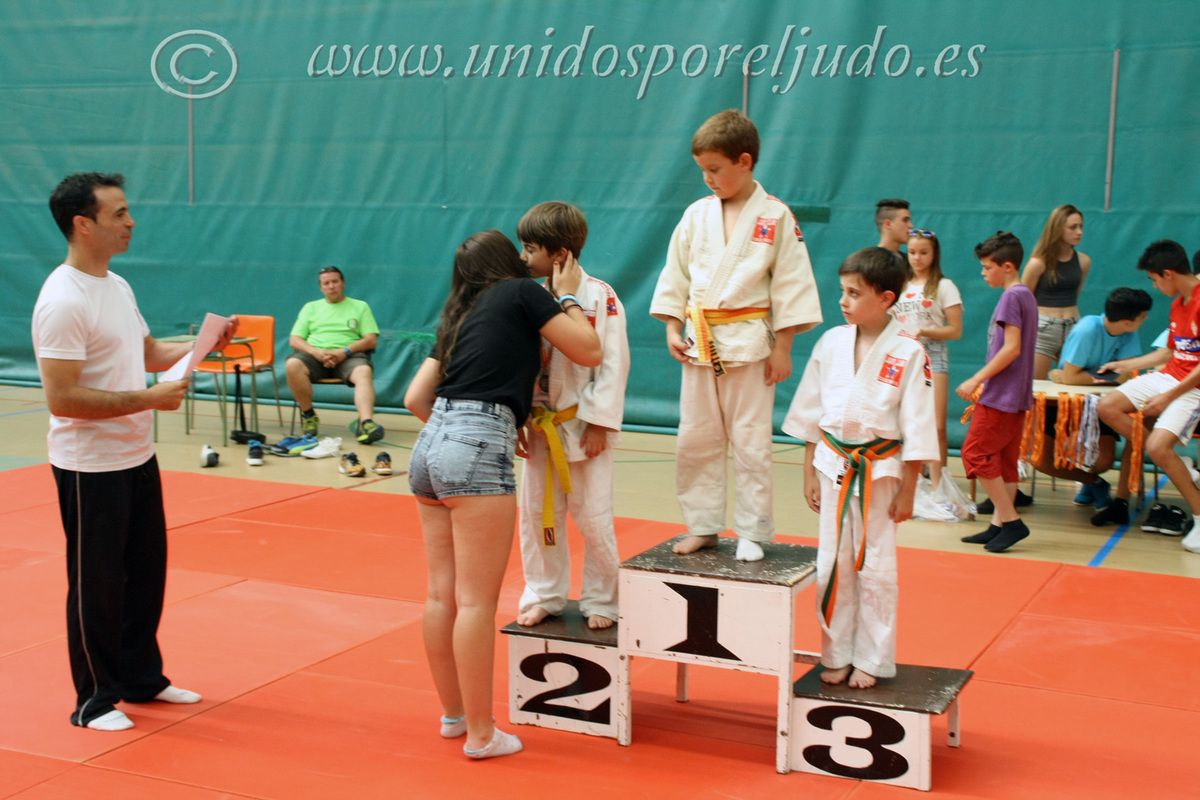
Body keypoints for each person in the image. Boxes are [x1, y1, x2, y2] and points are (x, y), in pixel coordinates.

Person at [32, 173, 235, 731]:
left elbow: (146, 350)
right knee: (96, 582)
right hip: (87, 466)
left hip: (135, 454)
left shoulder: (115, 286)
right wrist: (148, 398)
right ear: (83, 223)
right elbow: (63, 396)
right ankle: (94, 698)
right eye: (119, 213)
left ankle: (142, 678)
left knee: (145, 574)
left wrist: (203, 346)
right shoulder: (62, 300)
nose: (131, 222)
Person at [404, 230, 601, 759]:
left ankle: (453, 716)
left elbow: (414, 398)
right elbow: (588, 348)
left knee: (440, 595)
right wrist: (568, 296)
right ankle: (482, 733)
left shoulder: (457, 315)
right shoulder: (521, 292)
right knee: (475, 601)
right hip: (475, 443)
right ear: (505, 263)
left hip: (428, 446)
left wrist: (466, 425)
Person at [649, 109, 823, 562]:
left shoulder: (775, 216)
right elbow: (676, 274)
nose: (708, 179)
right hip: (699, 341)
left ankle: (751, 529)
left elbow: (791, 282)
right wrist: (671, 325)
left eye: (715, 170)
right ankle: (703, 524)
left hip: (750, 344)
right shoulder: (695, 215)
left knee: (750, 441)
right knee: (696, 438)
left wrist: (784, 347)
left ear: (744, 161)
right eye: (703, 170)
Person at [784, 247, 937, 689]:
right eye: (842, 291)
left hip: (881, 472)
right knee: (833, 563)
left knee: (876, 567)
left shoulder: (908, 353)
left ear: (886, 299)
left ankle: (872, 657)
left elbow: (920, 426)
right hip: (833, 463)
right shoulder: (831, 342)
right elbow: (810, 412)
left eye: (854, 293)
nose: (843, 300)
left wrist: (910, 489)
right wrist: (807, 470)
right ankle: (837, 652)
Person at [513, 202, 630, 631]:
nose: (523, 257)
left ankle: (604, 597)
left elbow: (613, 363)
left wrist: (601, 421)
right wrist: (520, 416)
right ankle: (544, 592)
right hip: (541, 424)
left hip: (584, 426)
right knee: (536, 515)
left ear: (559, 254)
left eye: (530, 248)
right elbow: (519, 361)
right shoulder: (525, 294)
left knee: (595, 518)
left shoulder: (601, 295)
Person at [1097, 241, 1200, 548]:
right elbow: (1168, 352)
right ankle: (1179, 463)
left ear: (1168, 273)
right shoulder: (1177, 303)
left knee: (1157, 446)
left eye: (1154, 279)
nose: (1154, 286)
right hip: (1170, 376)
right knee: (1108, 406)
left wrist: (1168, 398)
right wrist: (1125, 364)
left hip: (1193, 388)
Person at [1034, 288, 1152, 512]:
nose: (1145, 321)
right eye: (1143, 317)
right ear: (1127, 322)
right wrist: (1108, 378)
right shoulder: (1088, 328)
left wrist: (1083, 378)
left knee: (1103, 461)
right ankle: (1094, 482)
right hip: (1063, 402)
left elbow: (1127, 375)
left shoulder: (1129, 333)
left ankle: (1091, 481)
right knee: (1041, 460)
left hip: (1101, 403)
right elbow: (1069, 376)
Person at [957, 232, 1038, 553]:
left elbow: (1012, 349)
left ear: (1007, 266)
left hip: (1001, 395)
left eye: (987, 267)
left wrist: (976, 379)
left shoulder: (1011, 297)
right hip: (1016, 396)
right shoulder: (1026, 295)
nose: (983, 273)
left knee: (975, 454)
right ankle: (998, 525)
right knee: (1003, 459)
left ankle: (1011, 520)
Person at [889, 228, 962, 488]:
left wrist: (925, 331)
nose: (917, 258)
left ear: (934, 254)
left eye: (923, 253)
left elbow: (955, 329)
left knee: (937, 425)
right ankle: (914, 483)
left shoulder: (944, 286)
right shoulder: (900, 285)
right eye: (912, 252)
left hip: (933, 354)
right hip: (904, 356)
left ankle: (938, 484)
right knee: (909, 423)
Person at [285, 266, 383, 444]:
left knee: (363, 371)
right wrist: (317, 352)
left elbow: (370, 340)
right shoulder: (310, 308)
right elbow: (294, 339)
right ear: (321, 287)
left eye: (335, 282)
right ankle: (309, 416)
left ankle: (366, 423)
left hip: (349, 356)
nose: (331, 286)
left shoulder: (360, 307)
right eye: (326, 283)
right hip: (315, 356)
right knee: (292, 365)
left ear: (343, 283)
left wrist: (343, 352)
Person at [1022, 204, 1092, 379]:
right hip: (1043, 328)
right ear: (1057, 229)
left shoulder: (1083, 261)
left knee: (1071, 384)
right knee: (1035, 388)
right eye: (1073, 227)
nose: (1079, 232)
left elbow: (1076, 293)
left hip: (1074, 326)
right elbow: (1022, 301)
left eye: (1081, 226)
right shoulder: (1038, 263)